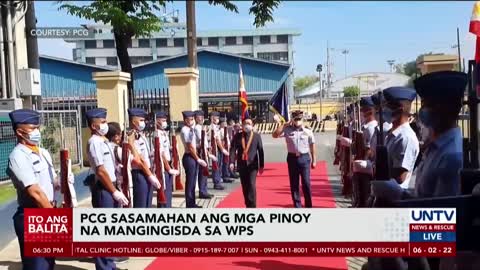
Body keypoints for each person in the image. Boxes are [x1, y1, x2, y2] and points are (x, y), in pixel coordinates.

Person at [367, 72, 466, 270]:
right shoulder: (436, 146)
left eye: (428, 105)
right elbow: (424, 196)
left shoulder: (451, 157)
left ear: (447, 109)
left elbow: (439, 222)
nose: (423, 111)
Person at [7, 109, 57, 270]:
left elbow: (51, 181)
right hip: (33, 215)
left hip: (48, 210)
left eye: (37, 128)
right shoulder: (18, 156)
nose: (37, 132)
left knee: (49, 262)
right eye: (32, 128)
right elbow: (35, 192)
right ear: (19, 132)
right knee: (37, 265)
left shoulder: (42, 152)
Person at [85, 108, 128, 270]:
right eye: (102, 122)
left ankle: (109, 264)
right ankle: (104, 267)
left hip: (111, 185)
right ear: (93, 126)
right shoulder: (94, 142)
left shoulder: (103, 141)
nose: (105, 125)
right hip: (104, 188)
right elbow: (101, 170)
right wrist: (114, 191)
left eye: (105, 121)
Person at [272, 110, 317, 208]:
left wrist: (314, 160)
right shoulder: (288, 129)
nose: (297, 121)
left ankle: (309, 205)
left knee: (306, 183)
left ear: (302, 119)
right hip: (292, 159)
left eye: (299, 119)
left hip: (304, 158)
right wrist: (284, 124)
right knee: (294, 184)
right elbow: (274, 135)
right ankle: (297, 206)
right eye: (295, 119)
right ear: (292, 119)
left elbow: (312, 145)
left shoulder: (307, 131)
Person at [128, 108, 161, 208]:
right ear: (133, 122)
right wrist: (150, 175)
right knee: (141, 203)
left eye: (144, 120)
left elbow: (145, 155)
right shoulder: (131, 136)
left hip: (147, 171)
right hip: (140, 173)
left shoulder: (141, 135)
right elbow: (139, 158)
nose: (144, 123)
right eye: (141, 120)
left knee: (148, 202)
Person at [229, 117, 264, 207]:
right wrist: (232, 162)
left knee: (251, 185)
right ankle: (248, 204)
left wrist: (261, 165)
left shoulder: (256, 136)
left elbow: (260, 150)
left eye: (249, 123)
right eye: (245, 123)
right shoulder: (238, 136)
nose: (247, 125)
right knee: (245, 186)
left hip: (253, 165)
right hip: (242, 165)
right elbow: (233, 149)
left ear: (252, 126)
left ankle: (253, 206)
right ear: (242, 125)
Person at [351, 96, 378, 207]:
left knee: (365, 195)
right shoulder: (365, 126)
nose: (361, 112)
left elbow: (369, 149)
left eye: (363, 110)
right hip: (362, 167)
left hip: (367, 168)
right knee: (360, 194)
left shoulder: (371, 128)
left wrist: (364, 163)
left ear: (370, 111)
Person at [180, 111, 207, 208]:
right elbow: (190, 146)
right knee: (190, 182)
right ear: (184, 120)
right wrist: (198, 159)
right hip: (190, 157)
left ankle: (192, 203)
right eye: (188, 119)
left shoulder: (191, 129)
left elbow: (194, 145)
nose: (190, 121)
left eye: (192, 119)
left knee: (193, 182)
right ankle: (190, 204)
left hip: (193, 156)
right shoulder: (185, 130)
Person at [154, 111, 180, 207]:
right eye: (163, 120)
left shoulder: (164, 133)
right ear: (157, 121)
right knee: (164, 191)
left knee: (168, 191)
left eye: (165, 120)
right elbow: (160, 153)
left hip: (168, 164)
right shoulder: (157, 134)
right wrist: (168, 168)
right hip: (163, 166)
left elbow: (166, 149)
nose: (165, 122)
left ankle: (168, 207)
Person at [193, 110, 213, 199]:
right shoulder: (197, 128)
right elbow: (201, 140)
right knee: (202, 171)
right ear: (195, 118)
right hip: (201, 151)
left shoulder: (202, 127)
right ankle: (202, 191)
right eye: (199, 117)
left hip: (204, 150)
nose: (201, 119)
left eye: (202, 117)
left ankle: (204, 190)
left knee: (205, 171)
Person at [208, 111, 229, 190]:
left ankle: (218, 181)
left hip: (219, 149)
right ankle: (217, 182)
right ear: (211, 118)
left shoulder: (217, 127)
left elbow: (221, 138)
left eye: (217, 118)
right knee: (216, 166)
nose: (217, 119)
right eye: (215, 118)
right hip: (215, 149)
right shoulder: (212, 127)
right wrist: (223, 149)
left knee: (219, 165)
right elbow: (216, 140)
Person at [219, 116, 234, 183]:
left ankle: (227, 174)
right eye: (224, 123)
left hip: (227, 147)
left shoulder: (225, 130)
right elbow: (221, 140)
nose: (225, 124)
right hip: (223, 148)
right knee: (223, 162)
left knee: (226, 162)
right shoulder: (220, 130)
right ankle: (224, 175)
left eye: (225, 123)